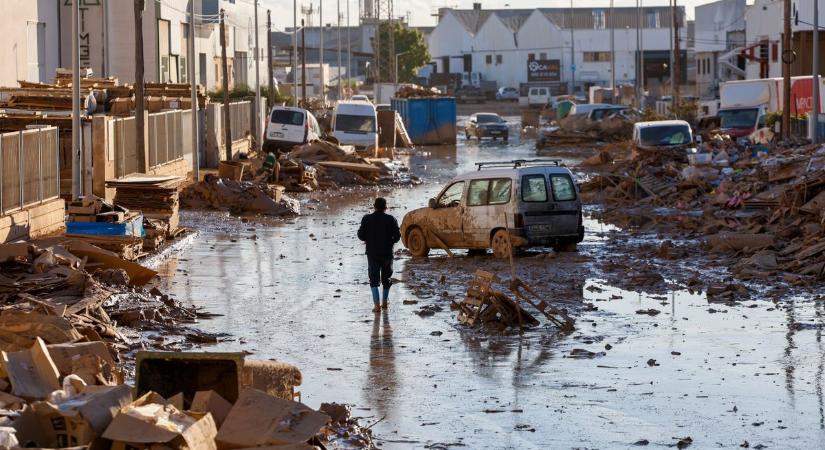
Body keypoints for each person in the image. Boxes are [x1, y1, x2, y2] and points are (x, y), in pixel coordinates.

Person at [357, 197, 400, 312]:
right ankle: (384, 303)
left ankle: (376, 306)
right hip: (387, 253)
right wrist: (390, 241)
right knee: (386, 278)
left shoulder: (367, 219)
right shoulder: (391, 219)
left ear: (374, 207)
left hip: (372, 253)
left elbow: (360, 235)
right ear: (386, 207)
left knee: (373, 279)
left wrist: (368, 237)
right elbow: (397, 237)